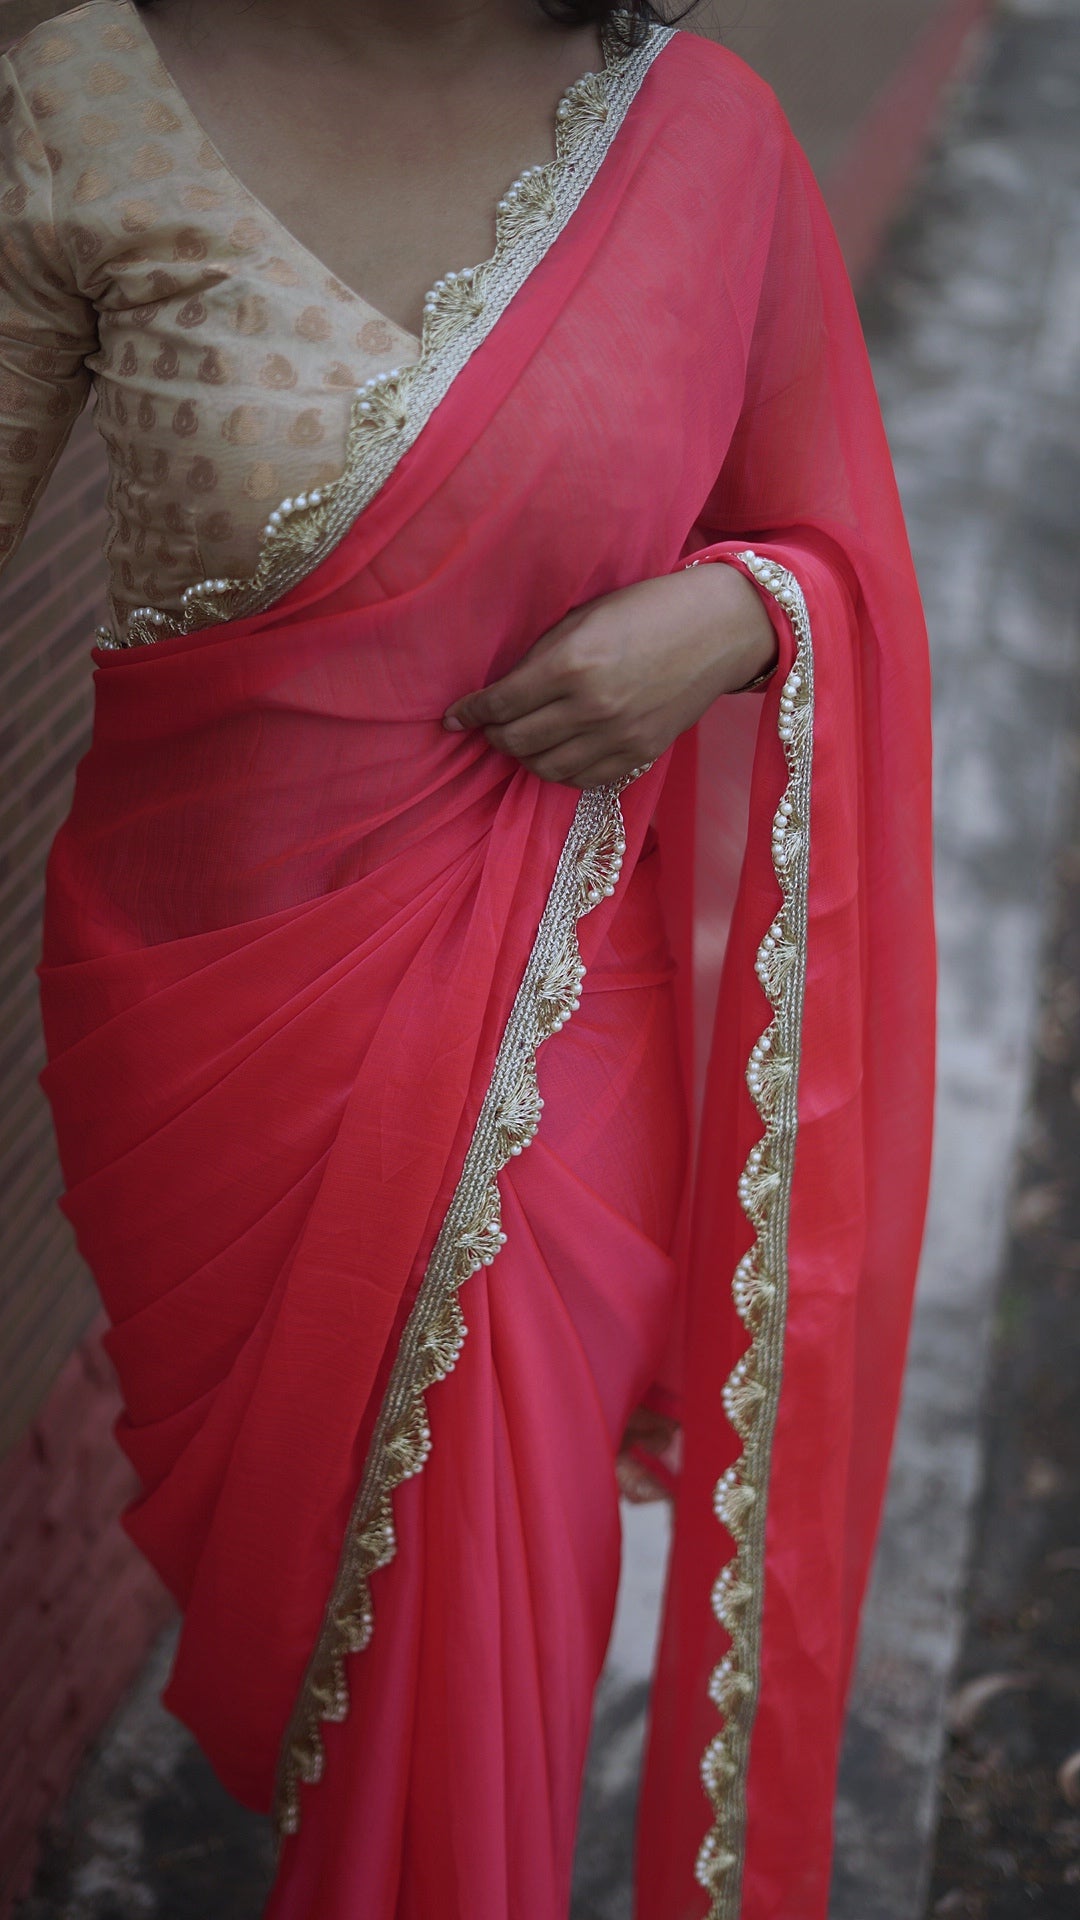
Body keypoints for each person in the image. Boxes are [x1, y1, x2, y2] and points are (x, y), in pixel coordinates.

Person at [0, 0, 936, 1913]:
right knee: (329, 1609)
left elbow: (837, 545)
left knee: (470, 1579)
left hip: (541, 1013)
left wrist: (741, 612)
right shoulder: (93, 92)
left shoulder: (703, 139)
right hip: (206, 1015)